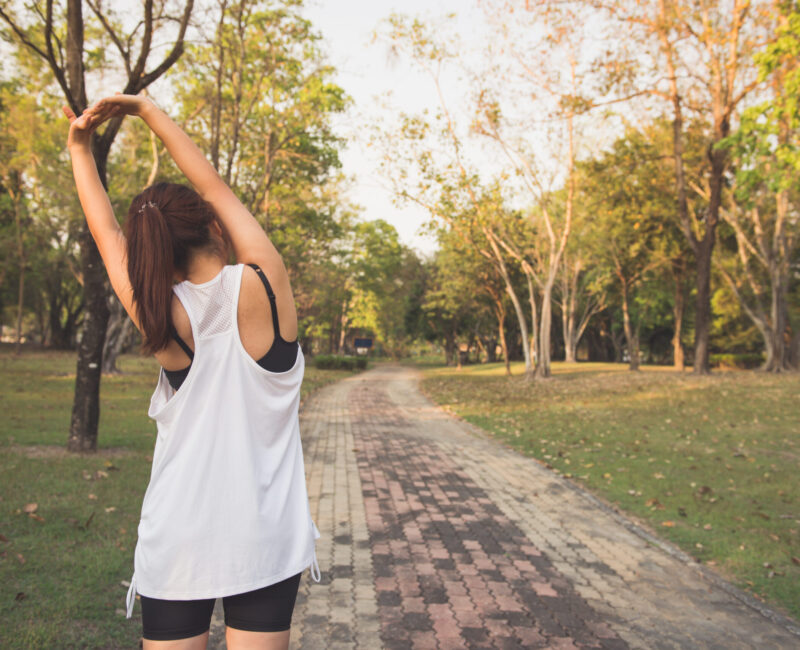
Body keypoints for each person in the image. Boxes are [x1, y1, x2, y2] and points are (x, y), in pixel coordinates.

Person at [63, 94, 321, 650]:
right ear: (210, 224)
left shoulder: (157, 311)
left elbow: (108, 236)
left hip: (177, 539)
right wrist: (147, 110)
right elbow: (214, 188)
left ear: (153, 251)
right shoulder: (266, 284)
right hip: (265, 538)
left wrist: (80, 148)